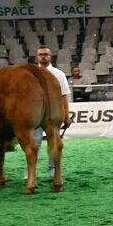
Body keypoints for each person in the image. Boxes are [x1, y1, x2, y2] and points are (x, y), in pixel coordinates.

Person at [34, 46, 71, 177]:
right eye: (41, 54)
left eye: (46, 54)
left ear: (50, 57)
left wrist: (67, 115)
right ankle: (31, 170)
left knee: (53, 142)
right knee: (34, 143)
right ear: (37, 57)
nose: (43, 56)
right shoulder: (31, 74)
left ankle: (52, 168)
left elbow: (64, 96)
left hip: (53, 115)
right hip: (36, 115)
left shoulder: (59, 74)